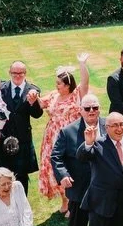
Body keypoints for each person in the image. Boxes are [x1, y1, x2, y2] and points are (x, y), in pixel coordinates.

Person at [51, 94, 102, 226]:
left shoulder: (108, 126)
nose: (91, 111)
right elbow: (56, 157)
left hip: (104, 186)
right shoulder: (68, 131)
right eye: (87, 108)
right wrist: (63, 175)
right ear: (80, 110)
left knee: (104, 223)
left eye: (95, 107)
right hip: (79, 186)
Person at [36, 59, 90, 212]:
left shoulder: (76, 94)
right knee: (54, 167)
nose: (56, 85)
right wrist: (34, 98)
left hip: (70, 135)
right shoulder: (53, 95)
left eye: (59, 83)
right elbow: (40, 104)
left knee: (70, 165)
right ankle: (64, 201)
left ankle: (73, 201)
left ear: (67, 85)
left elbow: (85, 82)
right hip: (51, 136)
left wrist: (82, 64)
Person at [0, 62, 44, 191]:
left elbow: (37, 115)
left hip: (23, 140)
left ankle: (22, 207)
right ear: (9, 73)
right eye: (14, 73)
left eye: (20, 73)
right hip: (3, 139)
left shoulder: (33, 90)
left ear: (25, 73)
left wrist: (33, 104)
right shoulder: (0, 89)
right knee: (3, 175)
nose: (17, 76)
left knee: (21, 177)